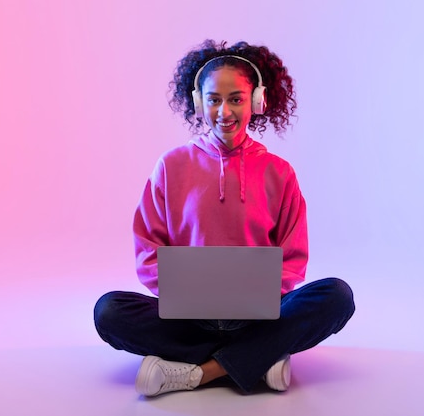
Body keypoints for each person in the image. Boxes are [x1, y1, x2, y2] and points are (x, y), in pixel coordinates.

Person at [94, 39, 355, 397]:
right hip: (188, 318)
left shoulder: (280, 173)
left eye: (236, 99)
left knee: (337, 296)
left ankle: (200, 372)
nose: (224, 111)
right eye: (214, 99)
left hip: (259, 316)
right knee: (108, 311)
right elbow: (148, 249)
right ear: (199, 102)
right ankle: (259, 358)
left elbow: (293, 259)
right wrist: (185, 293)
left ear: (257, 102)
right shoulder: (170, 167)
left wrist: (255, 296)